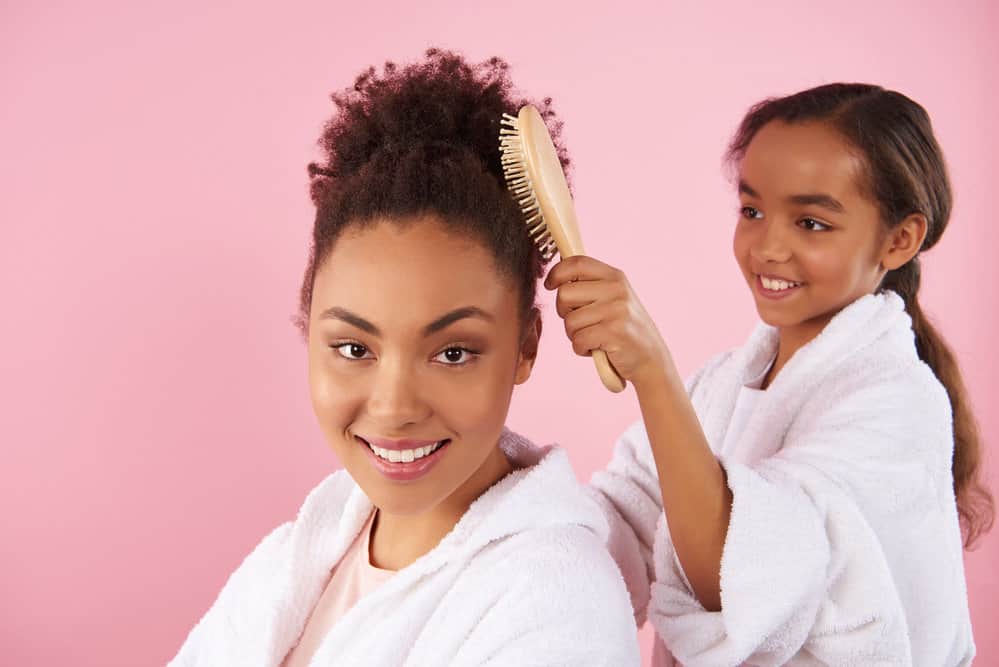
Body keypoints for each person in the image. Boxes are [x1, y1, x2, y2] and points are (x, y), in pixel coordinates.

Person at [169, 49, 639, 666]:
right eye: (353, 348)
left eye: (451, 352)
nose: (393, 408)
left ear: (526, 347)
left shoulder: (557, 606)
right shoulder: (299, 557)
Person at [545, 83, 994, 665]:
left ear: (900, 240)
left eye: (810, 223)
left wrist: (652, 370)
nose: (768, 247)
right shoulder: (723, 385)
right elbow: (627, 524)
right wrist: (506, 514)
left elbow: (737, 581)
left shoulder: (899, 406)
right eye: (752, 211)